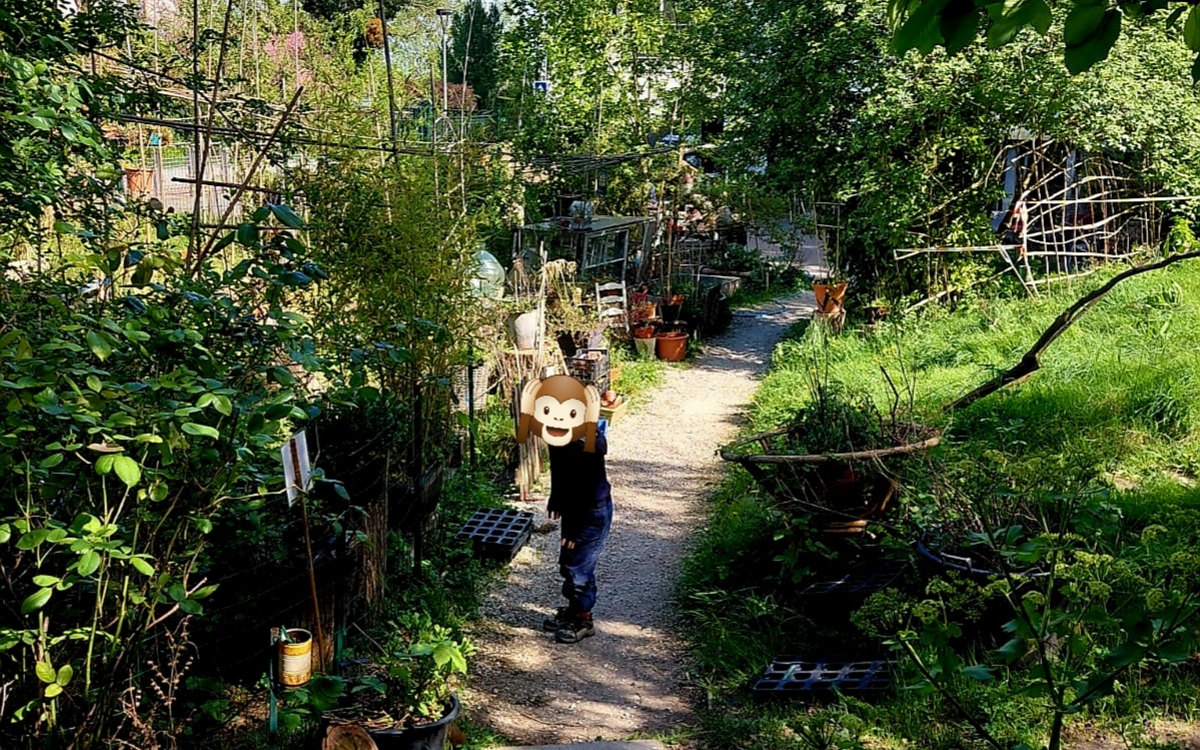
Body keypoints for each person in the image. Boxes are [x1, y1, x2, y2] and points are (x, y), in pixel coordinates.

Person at [542, 416, 613, 643]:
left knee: (578, 568)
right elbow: (559, 467)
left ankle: (583, 619)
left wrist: (572, 530)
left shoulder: (582, 440)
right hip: (576, 508)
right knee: (568, 562)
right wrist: (555, 497)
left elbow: (584, 486)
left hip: (589, 511)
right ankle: (573, 610)